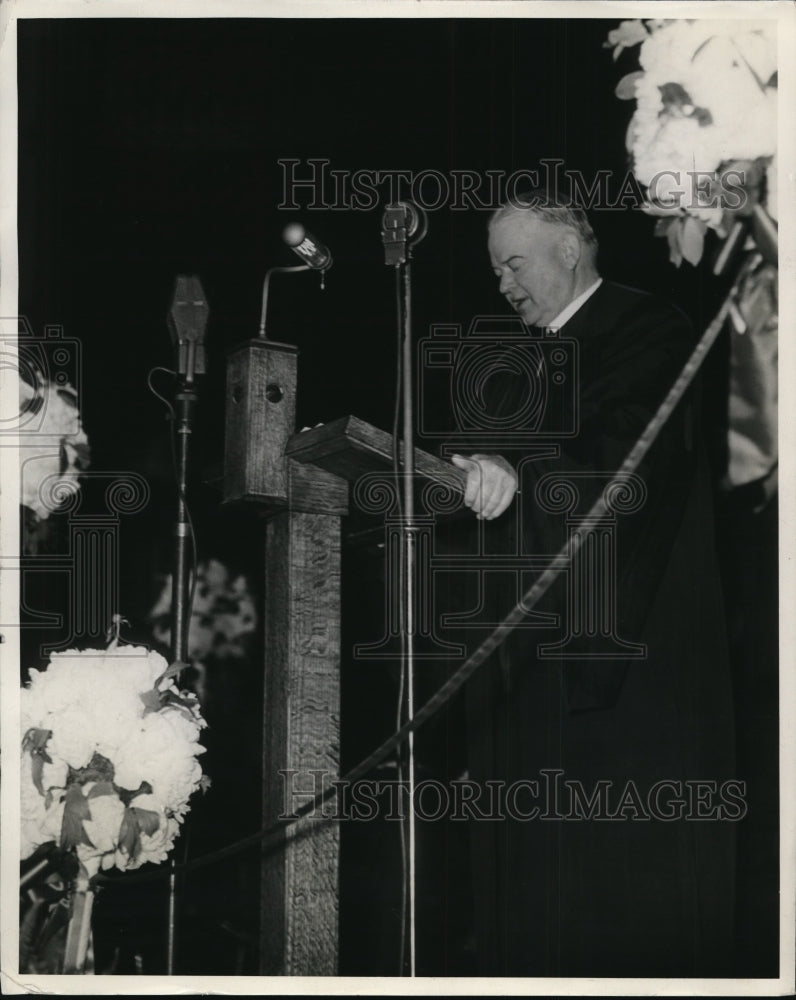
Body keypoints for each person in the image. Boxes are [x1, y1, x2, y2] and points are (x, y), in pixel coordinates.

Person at [446, 192, 736, 977]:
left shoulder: (647, 328)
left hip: (627, 661)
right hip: (524, 668)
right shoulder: (510, 364)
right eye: (495, 270)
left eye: (515, 264)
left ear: (570, 251)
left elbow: (624, 460)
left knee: (617, 900)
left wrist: (518, 473)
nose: (504, 285)